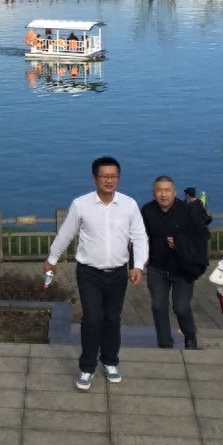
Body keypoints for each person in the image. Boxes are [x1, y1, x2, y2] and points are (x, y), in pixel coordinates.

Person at [46, 156, 149, 391]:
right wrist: (52, 259)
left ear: (119, 178)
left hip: (118, 273)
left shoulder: (129, 205)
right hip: (89, 273)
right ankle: (87, 367)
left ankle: (110, 361)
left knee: (112, 318)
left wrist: (138, 265)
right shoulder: (81, 204)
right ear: (95, 178)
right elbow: (66, 233)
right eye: (105, 176)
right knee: (92, 319)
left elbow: (140, 237)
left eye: (114, 176)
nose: (109, 181)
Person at [140, 176, 209, 350]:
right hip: (157, 266)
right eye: (159, 190)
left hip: (182, 267)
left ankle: (190, 335)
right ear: (154, 192)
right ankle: (164, 341)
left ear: (175, 192)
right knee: (158, 305)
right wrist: (138, 263)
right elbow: (139, 236)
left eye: (167, 190)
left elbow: (202, 235)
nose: (163, 195)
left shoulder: (187, 211)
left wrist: (179, 242)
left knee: (181, 307)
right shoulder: (147, 211)